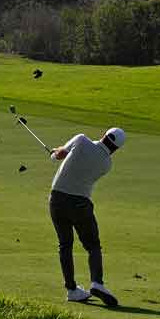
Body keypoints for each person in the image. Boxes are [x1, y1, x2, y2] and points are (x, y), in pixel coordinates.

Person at [47, 126, 125, 308]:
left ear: (104, 134)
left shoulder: (81, 140)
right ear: (116, 148)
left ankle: (72, 290)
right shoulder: (107, 165)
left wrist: (55, 152)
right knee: (92, 245)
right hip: (80, 205)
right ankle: (97, 282)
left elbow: (58, 156)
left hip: (57, 200)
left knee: (65, 244)